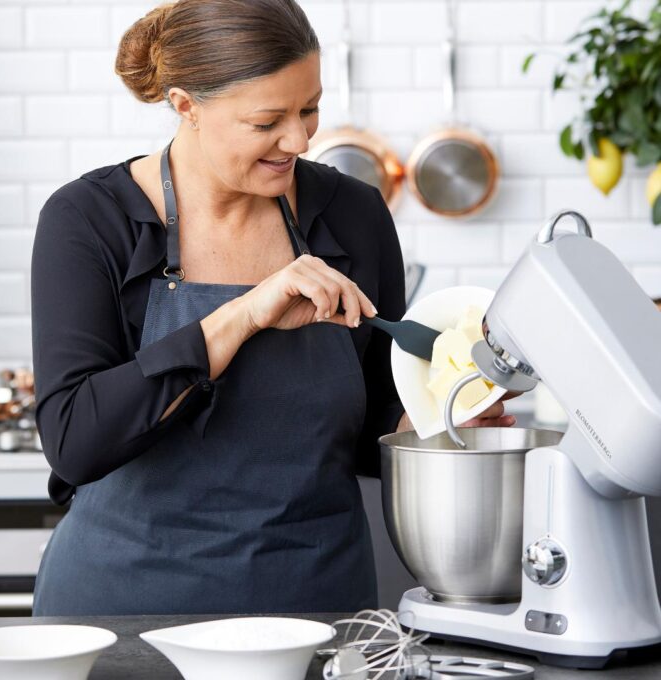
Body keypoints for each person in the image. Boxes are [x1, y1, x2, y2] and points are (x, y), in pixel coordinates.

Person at [30, 0, 515, 616]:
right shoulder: (89, 221)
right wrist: (244, 316)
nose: (300, 139)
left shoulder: (352, 214)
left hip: (316, 604)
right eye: (267, 122)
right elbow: (76, 441)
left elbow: (369, 422)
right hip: (126, 607)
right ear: (186, 107)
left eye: (310, 109)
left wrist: (440, 425)